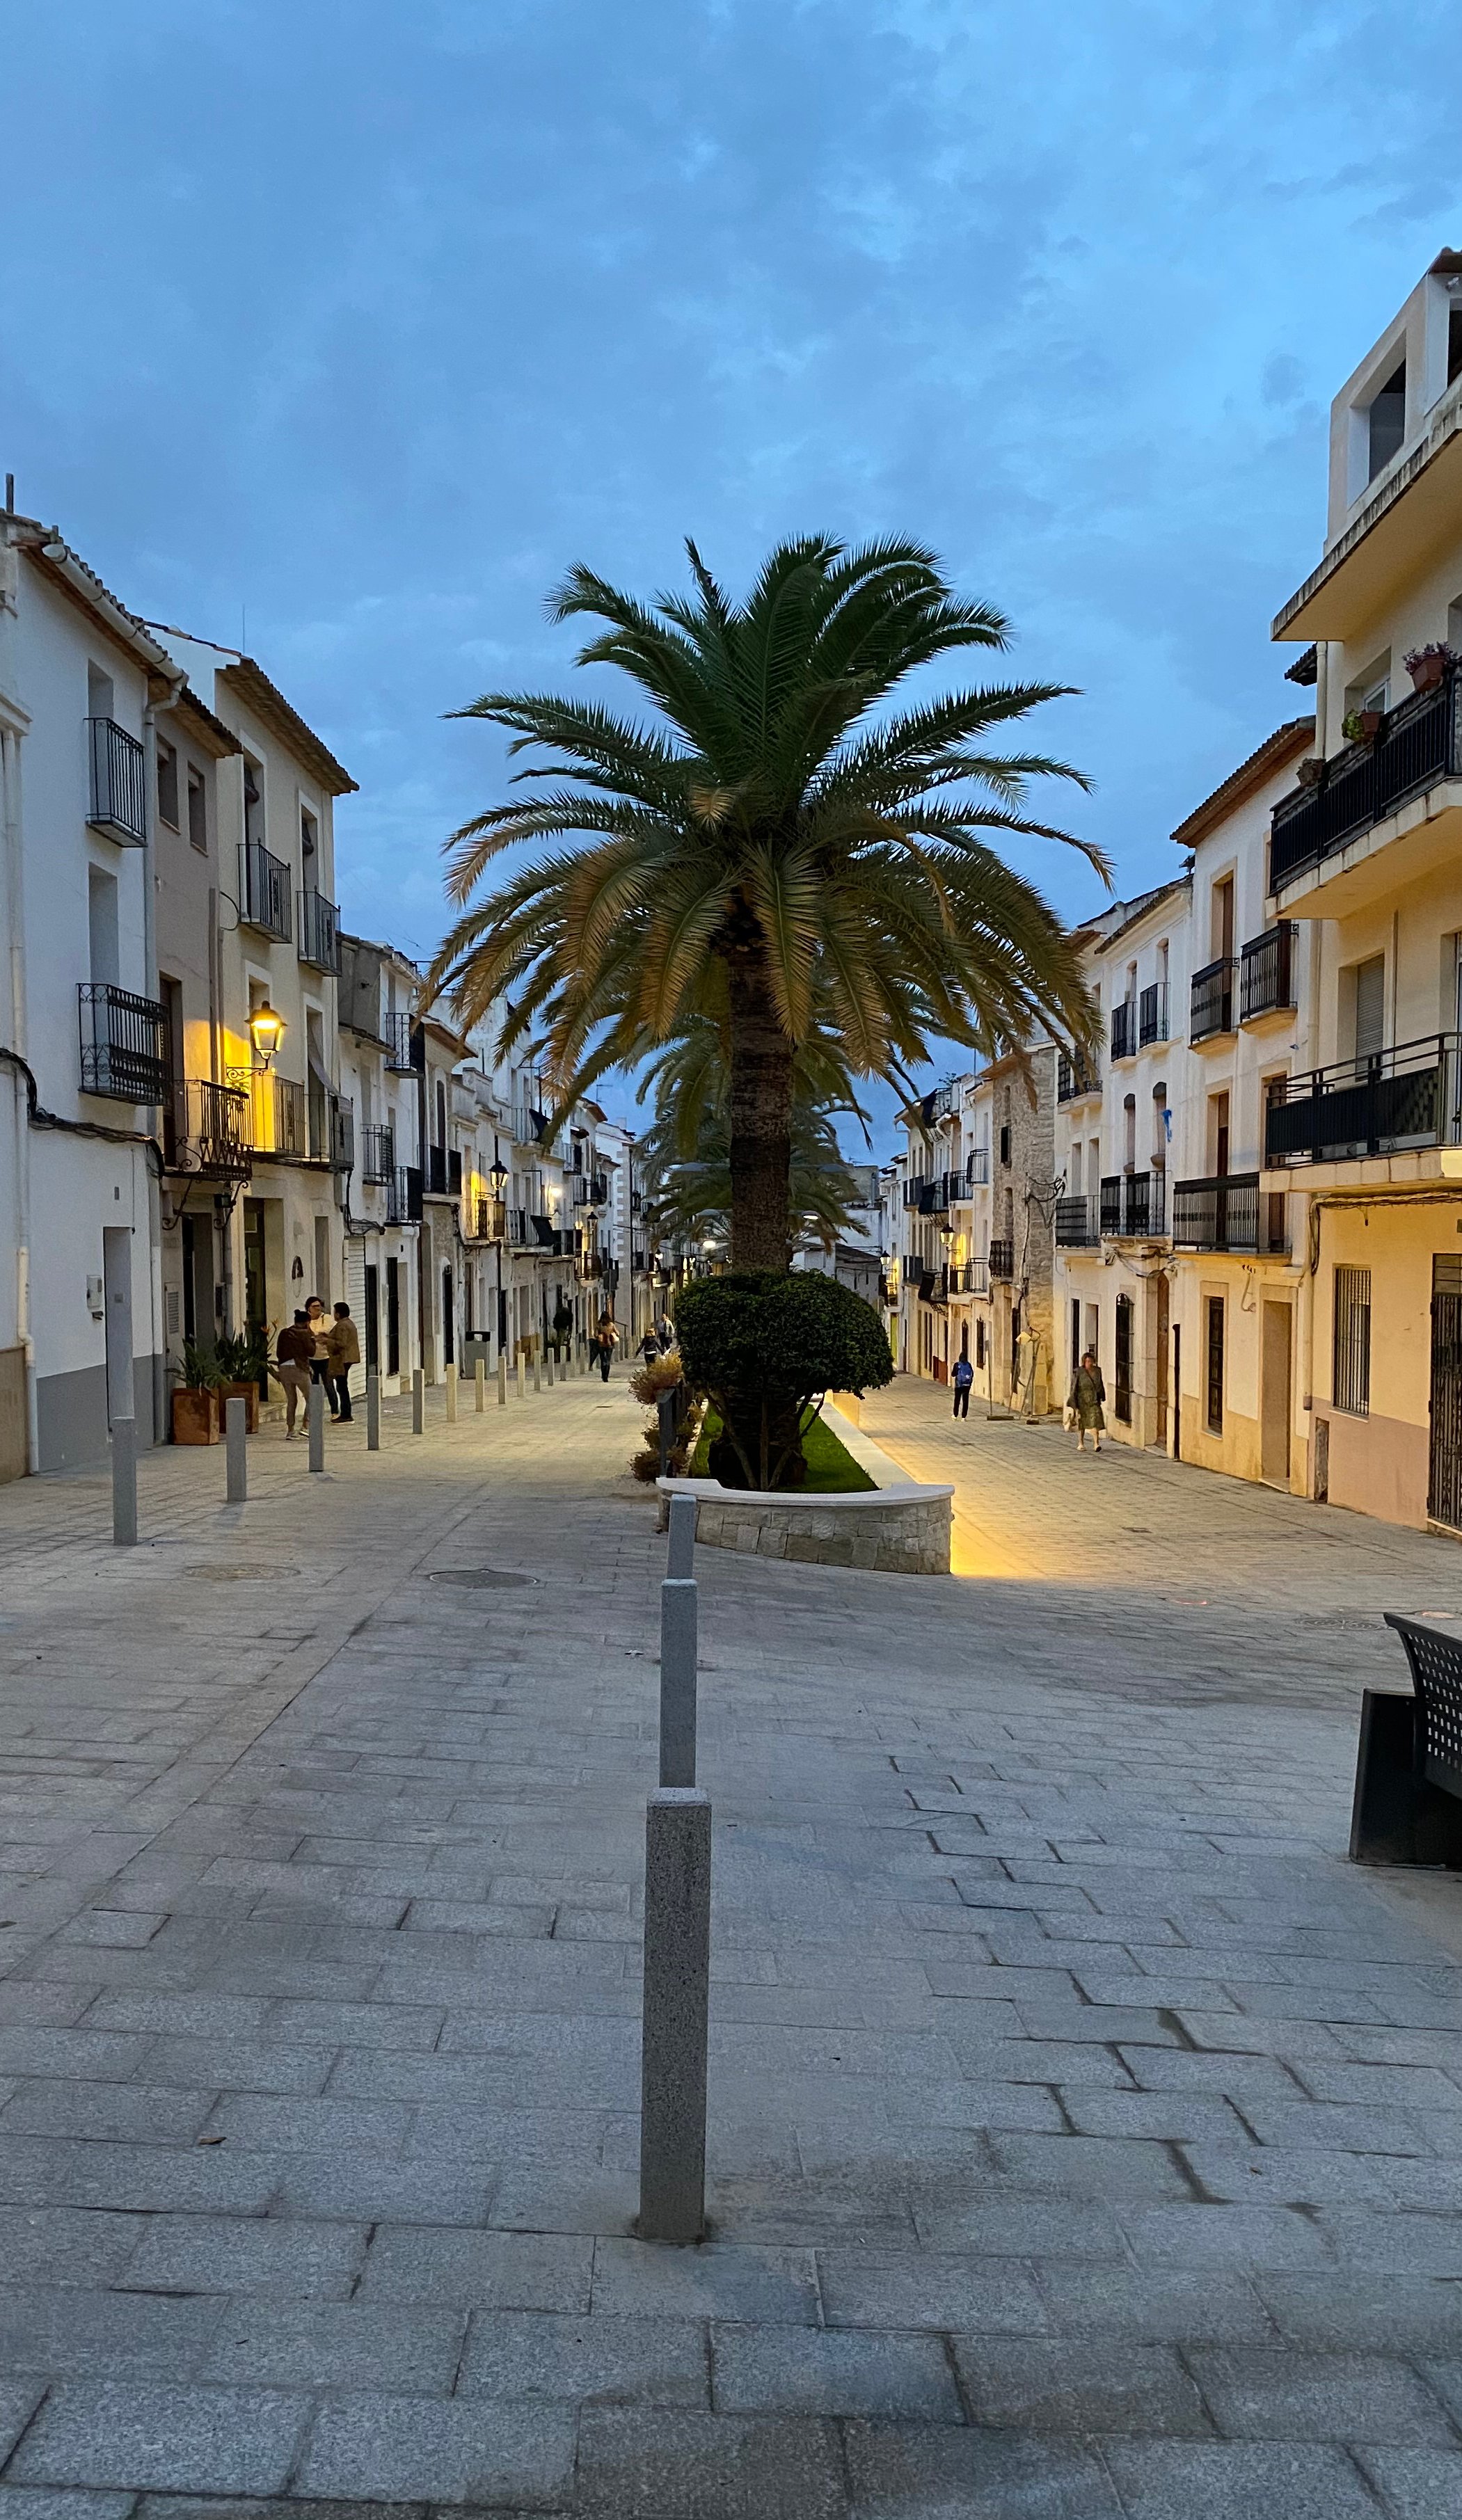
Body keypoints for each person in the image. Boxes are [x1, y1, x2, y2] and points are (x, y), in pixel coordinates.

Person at [275, 1310, 315, 1438]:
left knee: (291, 1400)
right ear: (307, 1322)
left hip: (284, 1368)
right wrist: (312, 1337)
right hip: (299, 1368)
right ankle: (305, 1426)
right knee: (311, 1397)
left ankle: (290, 1430)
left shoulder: (284, 1333)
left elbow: (278, 1353)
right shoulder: (305, 1334)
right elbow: (311, 1352)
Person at [326, 1300, 361, 1423]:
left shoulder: (342, 1325)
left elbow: (341, 1343)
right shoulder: (349, 1323)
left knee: (341, 1386)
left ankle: (346, 1414)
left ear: (338, 1314)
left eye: (335, 1312)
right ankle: (345, 1413)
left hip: (343, 1359)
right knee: (342, 1385)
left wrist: (327, 1340)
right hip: (346, 1358)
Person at [1070, 1347, 1106, 1452]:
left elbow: (1100, 1384)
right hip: (1082, 1401)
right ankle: (1081, 1443)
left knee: (1096, 1422)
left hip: (1094, 1400)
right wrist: (1074, 1403)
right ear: (1084, 1362)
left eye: (1091, 1361)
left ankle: (1096, 1444)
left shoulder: (1097, 1371)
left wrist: (1102, 1396)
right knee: (1082, 1423)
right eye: (1088, 1361)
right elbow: (1074, 1387)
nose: (1090, 1363)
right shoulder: (1079, 1372)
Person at [304, 1295, 333, 1412]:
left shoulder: (326, 1318)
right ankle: (314, 1411)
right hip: (311, 1358)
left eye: (320, 1305)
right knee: (313, 1386)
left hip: (325, 1357)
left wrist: (314, 1335)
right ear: (309, 1308)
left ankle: (335, 1411)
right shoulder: (306, 1320)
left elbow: (326, 1331)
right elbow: (306, 1335)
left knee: (329, 1385)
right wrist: (316, 1336)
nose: (318, 1308)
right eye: (315, 1306)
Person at [952, 1349, 974, 1419]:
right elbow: (972, 1374)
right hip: (967, 1386)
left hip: (959, 1385)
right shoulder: (969, 1365)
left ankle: (955, 1415)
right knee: (965, 1401)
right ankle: (964, 1417)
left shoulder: (957, 1365)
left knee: (957, 1400)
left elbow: (953, 1374)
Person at [594, 1316, 617, 1382]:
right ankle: (606, 1377)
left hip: (601, 1344)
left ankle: (603, 1375)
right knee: (608, 1360)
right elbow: (617, 1333)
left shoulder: (599, 1325)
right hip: (610, 1344)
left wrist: (599, 1336)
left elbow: (596, 1334)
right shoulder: (612, 1325)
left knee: (603, 1360)